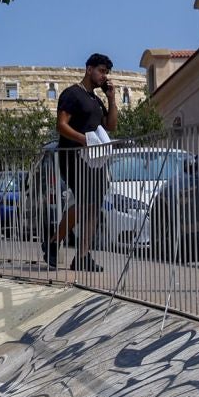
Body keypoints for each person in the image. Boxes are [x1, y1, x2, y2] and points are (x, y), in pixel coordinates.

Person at [52, 53, 120, 272]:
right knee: (83, 204)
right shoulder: (72, 94)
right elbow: (61, 125)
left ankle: (82, 256)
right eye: (101, 71)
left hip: (95, 161)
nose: (103, 76)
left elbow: (111, 126)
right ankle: (54, 241)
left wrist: (111, 98)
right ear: (88, 69)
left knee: (92, 206)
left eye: (106, 73)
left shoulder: (96, 100)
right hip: (73, 157)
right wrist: (85, 140)